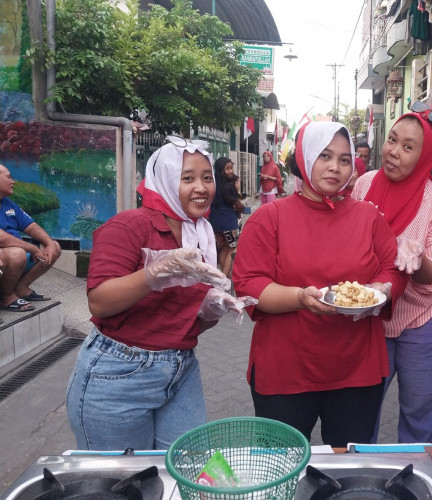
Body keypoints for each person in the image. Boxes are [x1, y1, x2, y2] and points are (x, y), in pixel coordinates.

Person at [66, 138, 251, 450]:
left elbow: (187, 320)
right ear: (164, 179)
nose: (201, 188)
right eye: (187, 178)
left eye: (207, 178)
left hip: (181, 368)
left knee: (187, 468)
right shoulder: (130, 226)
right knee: (125, 482)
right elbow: (99, 300)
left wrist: (211, 309)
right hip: (117, 372)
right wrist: (154, 274)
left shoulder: (201, 234)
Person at [232, 122, 407, 447]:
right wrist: (300, 298)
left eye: (344, 159)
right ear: (304, 156)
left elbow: (393, 270)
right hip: (285, 369)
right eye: (325, 156)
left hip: (356, 368)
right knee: (280, 466)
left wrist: (382, 289)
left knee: (344, 470)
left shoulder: (369, 217)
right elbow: (248, 285)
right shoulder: (270, 218)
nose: (335, 167)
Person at [352, 101, 432, 443]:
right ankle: (361, 483)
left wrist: (418, 261)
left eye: (408, 147)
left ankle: (410, 482)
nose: (394, 152)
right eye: (392, 140)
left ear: (425, 155)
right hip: (375, 315)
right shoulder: (364, 185)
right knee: (362, 407)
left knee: (417, 415)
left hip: (427, 317)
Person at [0, 163, 61, 312]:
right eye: (9, 177)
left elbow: (31, 227)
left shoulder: (8, 204)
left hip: (16, 258)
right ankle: (6, 296)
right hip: (7, 258)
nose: (13, 181)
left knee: (54, 246)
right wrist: (32, 248)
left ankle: (21, 288)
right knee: (18, 254)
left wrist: (49, 244)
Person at [208, 157, 245, 278]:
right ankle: (224, 278)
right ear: (220, 170)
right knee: (232, 248)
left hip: (215, 223)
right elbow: (239, 205)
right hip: (228, 224)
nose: (231, 171)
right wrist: (237, 189)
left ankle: (222, 275)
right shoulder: (229, 186)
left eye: (231, 168)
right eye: (227, 169)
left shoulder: (212, 184)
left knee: (223, 249)